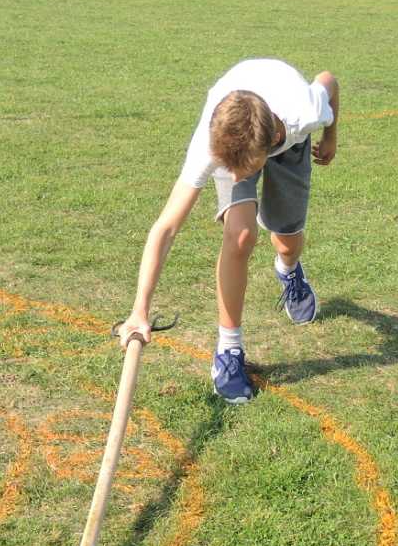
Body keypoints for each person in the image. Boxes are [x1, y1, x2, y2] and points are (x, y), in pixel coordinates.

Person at [120, 59, 341, 404]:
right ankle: (229, 351)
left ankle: (289, 271)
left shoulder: (305, 110)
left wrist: (331, 136)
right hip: (242, 124)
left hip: (290, 139)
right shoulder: (214, 142)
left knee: (287, 243)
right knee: (239, 235)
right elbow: (166, 227)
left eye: (243, 171)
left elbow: (329, 80)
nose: (237, 177)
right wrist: (139, 309)